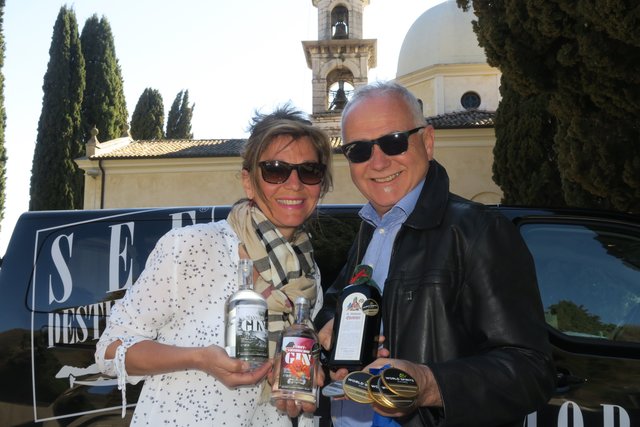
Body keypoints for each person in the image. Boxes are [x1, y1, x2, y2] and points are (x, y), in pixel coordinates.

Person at [314, 81, 556, 427]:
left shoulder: (478, 231)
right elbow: (337, 301)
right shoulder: (373, 228)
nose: (378, 162)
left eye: (393, 142)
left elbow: (531, 369)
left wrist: (427, 384)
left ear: (427, 141)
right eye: (359, 150)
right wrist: (329, 329)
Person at [95, 105, 333, 426]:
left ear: (320, 185)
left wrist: (305, 364)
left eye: (309, 170)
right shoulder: (192, 246)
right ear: (249, 182)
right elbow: (109, 352)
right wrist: (199, 359)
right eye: (275, 170)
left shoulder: (307, 273)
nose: (294, 183)